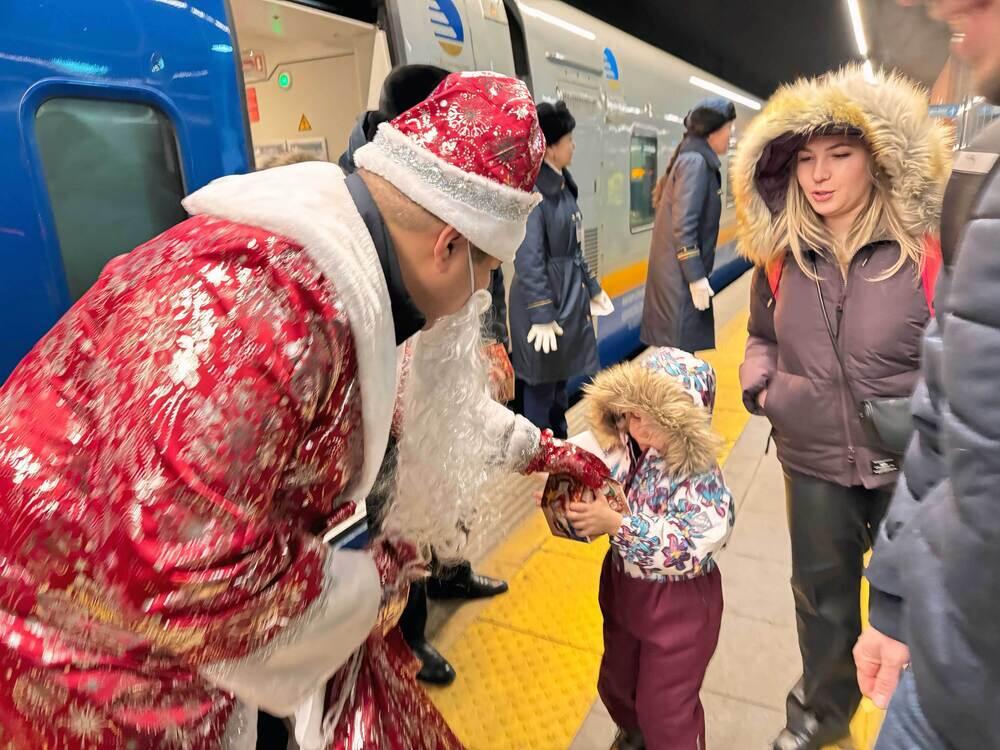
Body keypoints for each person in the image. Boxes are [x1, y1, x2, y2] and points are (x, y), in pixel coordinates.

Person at [0, 71, 615, 749]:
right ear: (447, 247)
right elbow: (190, 572)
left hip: (163, 646)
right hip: (93, 676)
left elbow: (441, 406)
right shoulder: (269, 314)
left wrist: (549, 451)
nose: (485, 290)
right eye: (490, 269)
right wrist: (377, 578)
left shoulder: (346, 275)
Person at [734, 65, 951, 750]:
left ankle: (925, 721)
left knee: (922, 603)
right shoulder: (780, 254)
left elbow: (962, 359)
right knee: (820, 602)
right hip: (815, 459)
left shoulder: (926, 252)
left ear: (878, 159)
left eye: (840, 154)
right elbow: (761, 338)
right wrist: (764, 389)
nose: (819, 175)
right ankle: (819, 721)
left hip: (909, 465)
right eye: (805, 159)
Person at [855, 2, 1000, 748]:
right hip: (952, 649)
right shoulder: (988, 175)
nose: (950, 14)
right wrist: (894, 600)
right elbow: (947, 408)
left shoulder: (932, 233)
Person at [338, 63, 510, 689]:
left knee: (437, 494)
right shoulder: (370, 210)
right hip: (394, 413)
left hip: (436, 382)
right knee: (394, 528)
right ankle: (404, 640)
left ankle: (444, 578)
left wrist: (492, 345)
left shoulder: (436, 190)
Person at [564, 347, 734, 750]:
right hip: (624, 593)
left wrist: (618, 526)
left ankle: (661, 738)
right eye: (629, 412)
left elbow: (689, 545)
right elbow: (595, 470)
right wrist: (566, 484)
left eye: (643, 416)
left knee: (666, 709)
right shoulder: (632, 449)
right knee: (616, 683)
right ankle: (636, 733)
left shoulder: (703, 480)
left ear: (679, 424)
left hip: (678, 610)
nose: (630, 422)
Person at [509, 100, 612, 439]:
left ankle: (560, 446)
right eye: (568, 139)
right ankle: (537, 457)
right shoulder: (535, 193)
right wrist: (540, 314)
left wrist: (593, 287)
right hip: (545, 306)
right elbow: (528, 257)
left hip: (565, 303)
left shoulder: (563, 187)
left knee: (557, 386)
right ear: (550, 148)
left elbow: (575, 250)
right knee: (539, 387)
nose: (574, 146)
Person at [640, 98, 736, 353]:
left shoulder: (693, 159)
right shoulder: (695, 163)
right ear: (712, 131)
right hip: (680, 286)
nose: (731, 136)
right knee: (678, 366)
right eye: (729, 129)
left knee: (678, 361)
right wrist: (696, 278)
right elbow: (684, 225)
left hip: (677, 282)